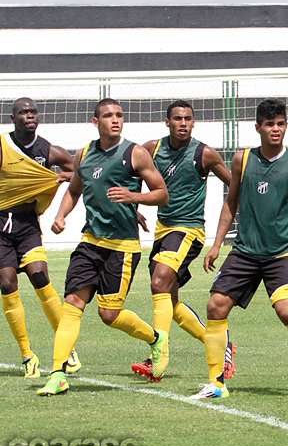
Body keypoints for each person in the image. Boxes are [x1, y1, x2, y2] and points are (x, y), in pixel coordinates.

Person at [197, 99, 288, 399]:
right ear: (258, 128)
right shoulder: (242, 160)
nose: (276, 129)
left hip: (283, 252)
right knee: (215, 306)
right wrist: (216, 245)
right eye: (269, 124)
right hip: (245, 251)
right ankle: (216, 383)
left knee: (287, 312)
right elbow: (231, 203)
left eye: (280, 123)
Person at [37, 98, 170, 396]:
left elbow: (162, 193)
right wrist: (60, 215)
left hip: (122, 247)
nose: (116, 120)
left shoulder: (135, 153)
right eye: (109, 115)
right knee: (72, 302)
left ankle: (155, 338)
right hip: (90, 241)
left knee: (109, 315)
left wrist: (134, 197)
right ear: (95, 122)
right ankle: (58, 373)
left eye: (119, 115)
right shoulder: (84, 154)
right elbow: (74, 190)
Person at [129, 100, 235, 381]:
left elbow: (235, 186)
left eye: (188, 118)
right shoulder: (151, 149)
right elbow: (130, 177)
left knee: (158, 283)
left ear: (193, 123)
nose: (183, 123)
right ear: (167, 122)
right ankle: (220, 344)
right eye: (177, 118)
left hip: (189, 231)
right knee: (170, 300)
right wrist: (133, 207)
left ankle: (158, 355)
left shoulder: (204, 154)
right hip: (163, 231)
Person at [0, 98, 78, 378]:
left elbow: (77, 172)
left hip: (27, 225)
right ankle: (27, 355)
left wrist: (60, 179)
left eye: (33, 112)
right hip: (0, 224)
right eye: (24, 112)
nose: (30, 116)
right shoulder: (3, 147)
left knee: (40, 278)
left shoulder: (47, 150)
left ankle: (67, 348)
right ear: (13, 119)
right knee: (7, 283)